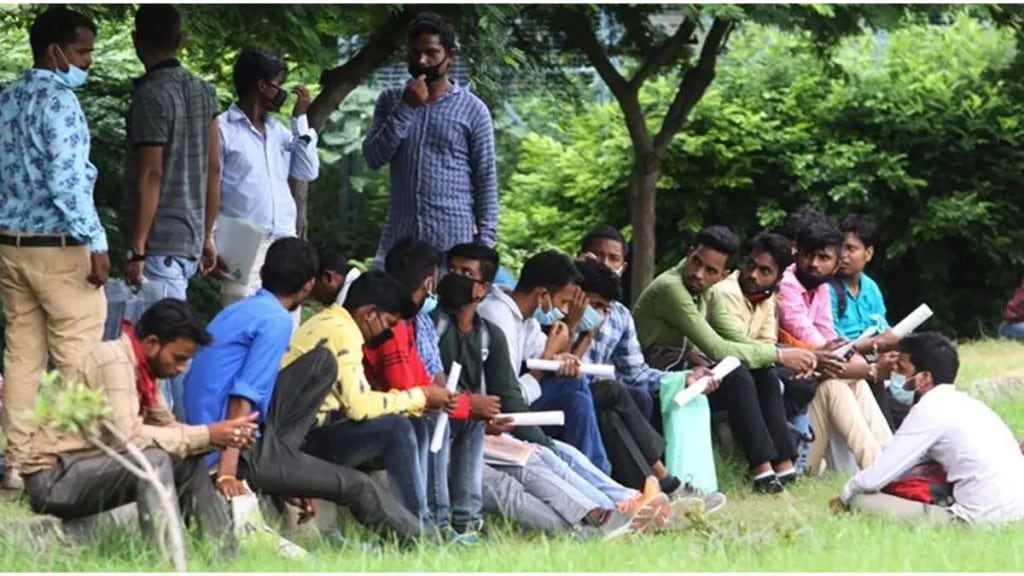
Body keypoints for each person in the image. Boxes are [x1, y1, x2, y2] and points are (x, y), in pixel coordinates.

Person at [435, 243, 673, 538]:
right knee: (542, 455)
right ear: (543, 294)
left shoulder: (499, 324)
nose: (456, 278)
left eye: (466, 272)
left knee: (560, 442)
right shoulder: (478, 321)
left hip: (488, 418)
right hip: (481, 421)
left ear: (483, 287)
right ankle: (607, 514)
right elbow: (508, 394)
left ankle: (623, 502)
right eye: (455, 271)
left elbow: (538, 363)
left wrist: (563, 350)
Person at [20, 299, 258, 557]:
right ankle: (168, 563)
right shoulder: (113, 361)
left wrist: (218, 437)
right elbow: (129, 438)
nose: (181, 369)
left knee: (188, 459)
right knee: (154, 460)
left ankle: (223, 558)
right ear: (153, 343)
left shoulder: (143, 370)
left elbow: (170, 430)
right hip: (53, 480)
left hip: (84, 471)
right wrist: (208, 433)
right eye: (178, 359)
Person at [0, 7, 110, 490]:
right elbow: (67, 185)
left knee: (21, 356)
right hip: (61, 248)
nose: (88, 61)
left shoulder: (5, 100)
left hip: (10, 247)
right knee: (80, 358)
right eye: (83, 50)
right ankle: (60, 462)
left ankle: (16, 464)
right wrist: (98, 242)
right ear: (55, 51)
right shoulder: (60, 103)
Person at [633, 226, 819, 493]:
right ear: (689, 254)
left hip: (683, 372)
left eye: (710, 270)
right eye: (696, 262)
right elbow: (718, 348)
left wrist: (781, 356)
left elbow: (736, 338)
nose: (699, 274)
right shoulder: (670, 288)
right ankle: (760, 471)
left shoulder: (709, 291)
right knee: (736, 372)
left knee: (764, 371)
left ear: (723, 275)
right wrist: (780, 354)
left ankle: (784, 465)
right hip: (653, 377)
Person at [287, 270, 453, 525]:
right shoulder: (344, 333)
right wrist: (420, 396)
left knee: (414, 424)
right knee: (396, 429)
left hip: (308, 431)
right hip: (301, 440)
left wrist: (417, 400)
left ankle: (423, 518)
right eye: (387, 324)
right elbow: (359, 407)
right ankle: (416, 528)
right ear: (368, 313)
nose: (385, 334)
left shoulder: (330, 321)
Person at [124, 4, 220, 420]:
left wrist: (138, 247)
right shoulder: (204, 92)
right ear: (181, 40)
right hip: (189, 237)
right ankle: (186, 441)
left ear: (135, 40)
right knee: (179, 353)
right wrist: (207, 235)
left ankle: (175, 447)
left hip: (159, 242)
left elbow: (150, 173)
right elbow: (215, 169)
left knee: (162, 356)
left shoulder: (151, 95)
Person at [576, 258, 727, 512]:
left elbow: (636, 373)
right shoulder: (555, 316)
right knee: (613, 390)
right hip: (569, 398)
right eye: (594, 305)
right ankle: (668, 482)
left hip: (597, 402)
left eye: (605, 307)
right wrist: (579, 332)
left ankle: (649, 496)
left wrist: (683, 378)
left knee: (612, 414)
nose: (600, 314)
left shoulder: (619, 316)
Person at [835, 332, 1024, 525]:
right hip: (1017, 511)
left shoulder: (929, 410)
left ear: (924, 378)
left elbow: (874, 478)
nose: (895, 375)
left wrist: (845, 494)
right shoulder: (970, 405)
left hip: (979, 519)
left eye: (901, 368)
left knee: (861, 501)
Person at [182, 237, 317, 495]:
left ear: (264, 273)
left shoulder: (239, 309)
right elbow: (242, 397)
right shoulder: (277, 320)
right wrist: (226, 474)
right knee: (357, 486)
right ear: (308, 286)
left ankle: (282, 463)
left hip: (203, 432)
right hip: (222, 447)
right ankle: (279, 461)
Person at [363, 12, 497, 266]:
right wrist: (406, 108)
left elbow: (486, 177)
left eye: (431, 53)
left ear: (450, 56)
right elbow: (373, 157)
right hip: (400, 242)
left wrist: (484, 244)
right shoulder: (391, 100)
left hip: (452, 246)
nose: (422, 61)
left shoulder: (473, 109)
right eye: (414, 54)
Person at [777, 220, 893, 475]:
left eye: (823, 257)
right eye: (808, 255)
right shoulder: (786, 284)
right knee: (835, 383)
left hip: (812, 394)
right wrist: (863, 365)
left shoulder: (820, 288)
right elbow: (807, 334)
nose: (814, 264)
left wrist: (850, 356)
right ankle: (878, 470)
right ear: (797, 253)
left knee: (855, 381)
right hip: (794, 409)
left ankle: (890, 459)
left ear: (835, 262)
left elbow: (828, 335)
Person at [478, 250, 610, 471]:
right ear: (542, 295)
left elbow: (548, 356)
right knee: (575, 390)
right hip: (497, 412)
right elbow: (509, 394)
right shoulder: (498, 317)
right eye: (563, 301)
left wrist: (563, 357)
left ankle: (597, 471)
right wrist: (550, 356)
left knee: (575, 389)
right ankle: (597, 471)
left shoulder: (526, 321)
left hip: (518, 401)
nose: (564, 310)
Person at [217, 48, 319, 322]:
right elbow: (209, 187)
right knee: (242, 322)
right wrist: (212, 239)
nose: (282, 93)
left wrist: (300, 120)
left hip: (284, 241)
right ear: (261, 86)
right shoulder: (222, 129)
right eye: (278, 85)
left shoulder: (279, 132)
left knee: (286, 325)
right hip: (242, 243)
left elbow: (307, 169)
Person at [998, 274, 1024, 341]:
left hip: (1006, 327)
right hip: (1013, 326)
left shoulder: (1019, 292)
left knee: (1003, 327)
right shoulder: (1020, 294)